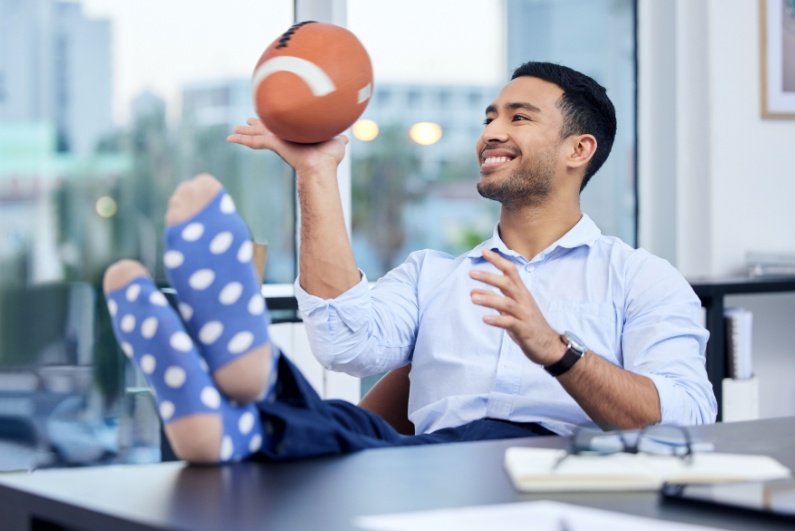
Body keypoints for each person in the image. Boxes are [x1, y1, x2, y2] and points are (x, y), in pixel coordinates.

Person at [104, 61, 716, 464]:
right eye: (489, 118)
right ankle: (241, 405)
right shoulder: (437, 276)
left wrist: (559, 351)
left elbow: (687, 417)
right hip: (427, 465)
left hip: (555, 464)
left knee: (353, 440)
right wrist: (317, 172)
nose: (491, 132)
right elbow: (346, 344)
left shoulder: (640, 278)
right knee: (348, 431)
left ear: (579, 149)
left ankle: (244, 393)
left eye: (518, 117)